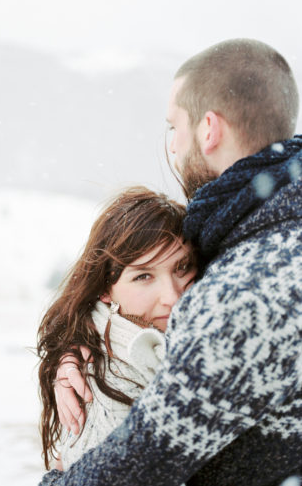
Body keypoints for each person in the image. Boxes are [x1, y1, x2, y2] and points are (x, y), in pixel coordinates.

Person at [39, 38, 302, 486]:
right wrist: (81, 337)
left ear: (208, 130)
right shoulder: (264, 231)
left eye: (173, 128)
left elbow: (146, 462)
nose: (174, 149)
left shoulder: (248, 284)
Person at [37, 187, 198, 471]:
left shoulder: (94, 347)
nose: (172, 296)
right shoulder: (109, 390)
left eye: (182, 267)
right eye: (144, 276)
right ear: (105, 291)